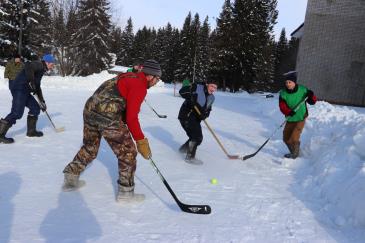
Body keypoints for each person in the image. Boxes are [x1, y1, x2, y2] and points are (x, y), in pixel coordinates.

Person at [62, 59, 162, 203]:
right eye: (157, 79)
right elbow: (132, 117)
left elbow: (125, 109)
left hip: (90, 109)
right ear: (150, 76)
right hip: (107, 114)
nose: (156, 82)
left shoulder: (129, 76)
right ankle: (126, 194)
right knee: (128, 152)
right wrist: (141, 141)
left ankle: (71, 176)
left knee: (90, 146)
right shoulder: (140, 86)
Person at [0, 54, 55, 144]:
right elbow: (28, 66)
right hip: (19, 88)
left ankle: (31, 131)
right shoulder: (39, 64)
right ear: (47, 62)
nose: (52, 66)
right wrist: (31, 81)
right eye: (52, 64)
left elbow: (37, 87)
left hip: (25, 91)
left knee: (35, 108)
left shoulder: (41, 71)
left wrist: (42, 102)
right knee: (17, 113)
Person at [279, 71, 317, 159]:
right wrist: (288, 112)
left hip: (301, 117)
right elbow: (282, 106)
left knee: (294, 137)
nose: (288, 84)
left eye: (290, 82)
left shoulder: (302, 90)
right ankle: (293, 152)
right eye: (286, 82)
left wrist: (311, 95)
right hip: (290, 118)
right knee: (286, 138)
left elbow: (312, 102)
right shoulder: (283, 93)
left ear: (294, 82)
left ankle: (295, 155)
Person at [178, 80, 218, 161]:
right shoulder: (197, 87)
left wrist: (204, 115)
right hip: (186, 116)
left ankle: (183, 150)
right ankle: (190, 158)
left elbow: (208, 109)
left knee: (197, 138)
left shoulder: (211, 98)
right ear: (207, 84)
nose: (213, 89)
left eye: (215, 87)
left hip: (195, 119)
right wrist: (190, 96)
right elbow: (182, 91)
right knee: (197, 137)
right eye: (212, 86)